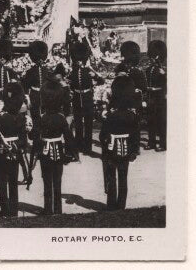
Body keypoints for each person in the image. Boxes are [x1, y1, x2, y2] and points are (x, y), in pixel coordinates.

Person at [35, 79, 78, 215]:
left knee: (47, 181)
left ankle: (48, 209)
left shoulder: (42, 117)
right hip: (58, 150)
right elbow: (69, 137)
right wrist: (72, 153)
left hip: (45, 152)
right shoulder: (61, 118)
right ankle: (58, 209)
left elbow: (33, 136)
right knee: (57, 181)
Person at [100, 76, 141, 211]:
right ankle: (121, 206)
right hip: (126, 149)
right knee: (123, 178)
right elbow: (136, 135)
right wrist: (134, 151)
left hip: (112, 149)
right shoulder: (132, 115)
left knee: (111, 177)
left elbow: (102, 136)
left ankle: (111, 205)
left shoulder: (110, 115)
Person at [0, 82, 27, 217]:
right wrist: (16, 146)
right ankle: (14, 210)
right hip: (15, 153)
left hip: (1, 153)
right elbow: (24, 140)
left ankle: (4, 210)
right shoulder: (21, 118)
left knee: (2, 182)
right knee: (13, 182)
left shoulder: (1, 118)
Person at [68, 42, 104, 155]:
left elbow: (101, 80)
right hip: (77, 99)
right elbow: (70, 84)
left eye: (80, 60)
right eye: (77, 60)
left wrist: (95, 75)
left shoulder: (89, 70)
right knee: (78, 123)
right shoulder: (73, 71)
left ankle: (87, 148)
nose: (78, 62)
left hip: (87, 98)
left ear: (83, 59)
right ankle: (79, 145)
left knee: (88, 124)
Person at [22, 40, 49, 127]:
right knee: (35, 119)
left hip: (46, 96)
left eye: (41, 58)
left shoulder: (47, 71)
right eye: (39, 58)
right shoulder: (30, 71)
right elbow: (26, 86)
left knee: (46, 117)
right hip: (34, 96)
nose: (40, 60)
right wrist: (28, 99)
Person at [146, 40, 167, 151]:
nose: (152, 59)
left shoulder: (163, 70)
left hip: (160, 99)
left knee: (161, 122)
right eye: (152, 57)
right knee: (151, 121)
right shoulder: (149, 69)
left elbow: (166, 86)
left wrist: (164, 75)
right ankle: (151, 142)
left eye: (153, 57)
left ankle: (163, 144)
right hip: (151, 99)